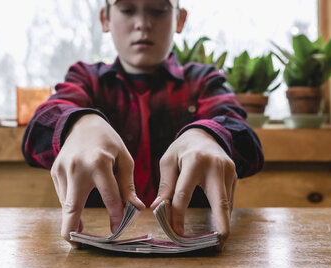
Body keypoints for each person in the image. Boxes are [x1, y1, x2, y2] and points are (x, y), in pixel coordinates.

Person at [22, 0, 264, 250]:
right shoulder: (86, 79)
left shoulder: (203, 81)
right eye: (127, 10)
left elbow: (245, 139)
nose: (142, 24)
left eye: (159, 10)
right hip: (96, 258)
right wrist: (78, 125)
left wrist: (209, 136)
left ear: (179, 20)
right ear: (104, 19)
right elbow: (38, 131)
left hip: (195, 257)